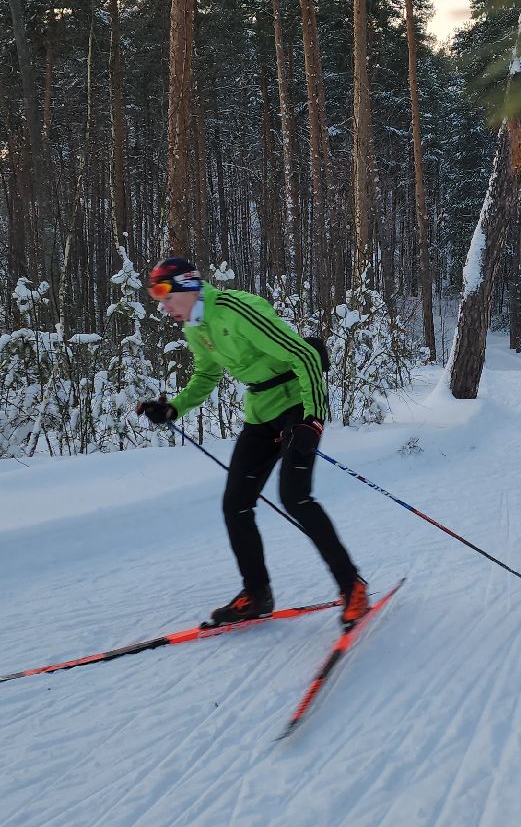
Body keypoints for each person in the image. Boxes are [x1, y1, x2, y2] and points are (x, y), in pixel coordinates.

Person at [134, 257, 368, 629]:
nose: (161, 305)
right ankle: (257, 595)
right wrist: (173, 409)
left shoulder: (236, 310)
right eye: (154, 296)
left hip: (296, 404)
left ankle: (352, 586)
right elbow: (206, 374)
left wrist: (313, 419)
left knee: (296, 497)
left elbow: (305, 354)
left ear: (188, 286)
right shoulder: (195, 327)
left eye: (164, 294)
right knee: (235, 505)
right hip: (260, 412)